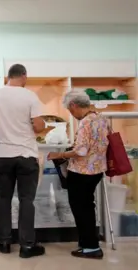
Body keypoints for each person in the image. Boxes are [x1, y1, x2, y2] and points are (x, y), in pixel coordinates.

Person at [0, 64, 46, 258]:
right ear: (24, 76)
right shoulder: (29, 96)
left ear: (7, 76)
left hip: (3, 155)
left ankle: (4, 242)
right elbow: (38, 126)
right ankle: (27, 245)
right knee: (26, 199)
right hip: (26, 154)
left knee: (4, 199)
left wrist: (4, 126)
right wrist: (40, 125)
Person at [47, 91, 108, 260]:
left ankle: (90, 247)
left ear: (74, 105)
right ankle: (88, 242)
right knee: (88, 207)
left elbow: (81, 151)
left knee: (81, 209)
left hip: (82, 172)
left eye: (70, 109)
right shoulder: (101, 118)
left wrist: (58, 155)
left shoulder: (85, 122)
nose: (71, 114)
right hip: (96, 171)